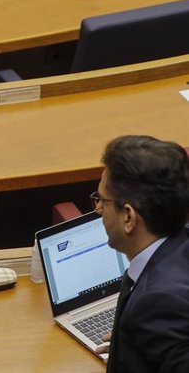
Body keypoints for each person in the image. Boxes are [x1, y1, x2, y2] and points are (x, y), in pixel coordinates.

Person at [92, 135, 189, 372]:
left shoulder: (156, 303)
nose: (97, 208)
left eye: (102, 200)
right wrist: (127, 348)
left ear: (128, 217)